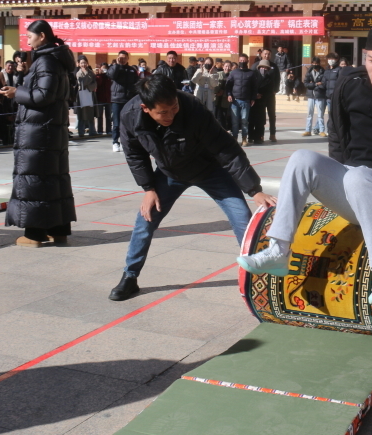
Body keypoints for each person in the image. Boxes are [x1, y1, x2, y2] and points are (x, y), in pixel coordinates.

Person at [237, 26, 372, 304]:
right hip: (353, 183)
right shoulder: (350, 85)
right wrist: (337, 174)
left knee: (359, 178)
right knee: (302, 158)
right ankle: (278, 250)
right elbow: (337, 134)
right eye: (370, 60)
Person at [110, 74, 278, 301]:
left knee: (242, 218)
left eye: (174, 108)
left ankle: (260, 276)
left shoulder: (192, 107)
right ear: (145, 108)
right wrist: (149, 188)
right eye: (163, 112)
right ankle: (130, 276)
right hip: (170, 174)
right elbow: (134, 155)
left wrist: (253, 189)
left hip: (210, 170)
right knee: (145, 220)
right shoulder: (130, 116)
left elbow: (226, 149)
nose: (170, 115)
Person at [0, 19, 77, 248]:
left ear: (42, 36)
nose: (27, 40)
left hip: (40, 130)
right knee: (53, 179)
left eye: (29, 36)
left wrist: (17, 92)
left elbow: (43, 96)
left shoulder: (46, 61)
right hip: (49, 128)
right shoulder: (55, 59)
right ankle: (57, 230)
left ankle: (34, 234)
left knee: (35, 179)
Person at [108, 50, 138, 153]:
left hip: (129, 99)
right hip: (117, 99)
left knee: (128, 122)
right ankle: (115, 142)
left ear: (128, 58)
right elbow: (111, 75)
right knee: (116, 123)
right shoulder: (114, 68)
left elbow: (136, 83)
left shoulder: (132, 70)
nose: (123, 60)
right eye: (121, 58)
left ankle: (126, 141)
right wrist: (117, 64)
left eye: (125, 58)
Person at [226, 53, 256, 146]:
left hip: (246, 101)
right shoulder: (233, 73)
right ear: (238, 61)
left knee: (244, 121)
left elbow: (254, 87)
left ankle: (244, 138)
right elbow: (228, 85)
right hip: (235, 101)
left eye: (244, 60)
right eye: (241, 60)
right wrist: (229, 94)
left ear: (247, 61)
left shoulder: (251, 73)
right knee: (235, 121)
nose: (242, 62)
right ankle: (235, 137)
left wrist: (253, 98)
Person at [252, 52, 280, 144]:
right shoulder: (255, 65)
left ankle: (272, 134)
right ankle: (261, 135)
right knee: (261, 116)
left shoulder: (274, 66)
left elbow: (278, 79)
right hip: (260, 96)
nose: (267, 56)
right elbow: (252, 80)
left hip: (271, 95)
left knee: (272, 115)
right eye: (265, 54)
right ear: (261, 55)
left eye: (269, 54)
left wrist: (275, 90)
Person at [74, 56, 97, 137]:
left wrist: (90, 86)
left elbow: (95, 84)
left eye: (85, 62)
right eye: (81, 63)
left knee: (90, 114)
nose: (83, 64)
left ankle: (92, 131)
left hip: (90, 94)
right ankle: (81, 131)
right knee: (81, 114)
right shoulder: (78, 73)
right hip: (81, 95)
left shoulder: (91, 72)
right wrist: (88, 82)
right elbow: (82, 82)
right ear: (79, 64)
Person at [303, 57, 327, 137]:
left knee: (320, 114)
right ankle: (308, 130)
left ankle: (322, 130)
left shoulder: (323, 72)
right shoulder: (309, 71)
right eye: (313, 63)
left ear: (319, 64)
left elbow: (323, 84)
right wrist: (316, 84)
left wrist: (312, 84)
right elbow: (306, 83)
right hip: (311, 95)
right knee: (309, 114)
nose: (315, 65)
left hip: (320, 95)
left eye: (316, 63)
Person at [94, 63, 112, 136]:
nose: (104, 69)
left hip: (108, 99)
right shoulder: (98, 76)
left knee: (108, 116)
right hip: (100, 98)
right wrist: (100, 74)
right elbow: (98, 84)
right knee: (99, 115)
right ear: (100, 68)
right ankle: (100, 130)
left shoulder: (109, 77)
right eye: (103, 68)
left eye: (105, 68)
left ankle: (109, 130)